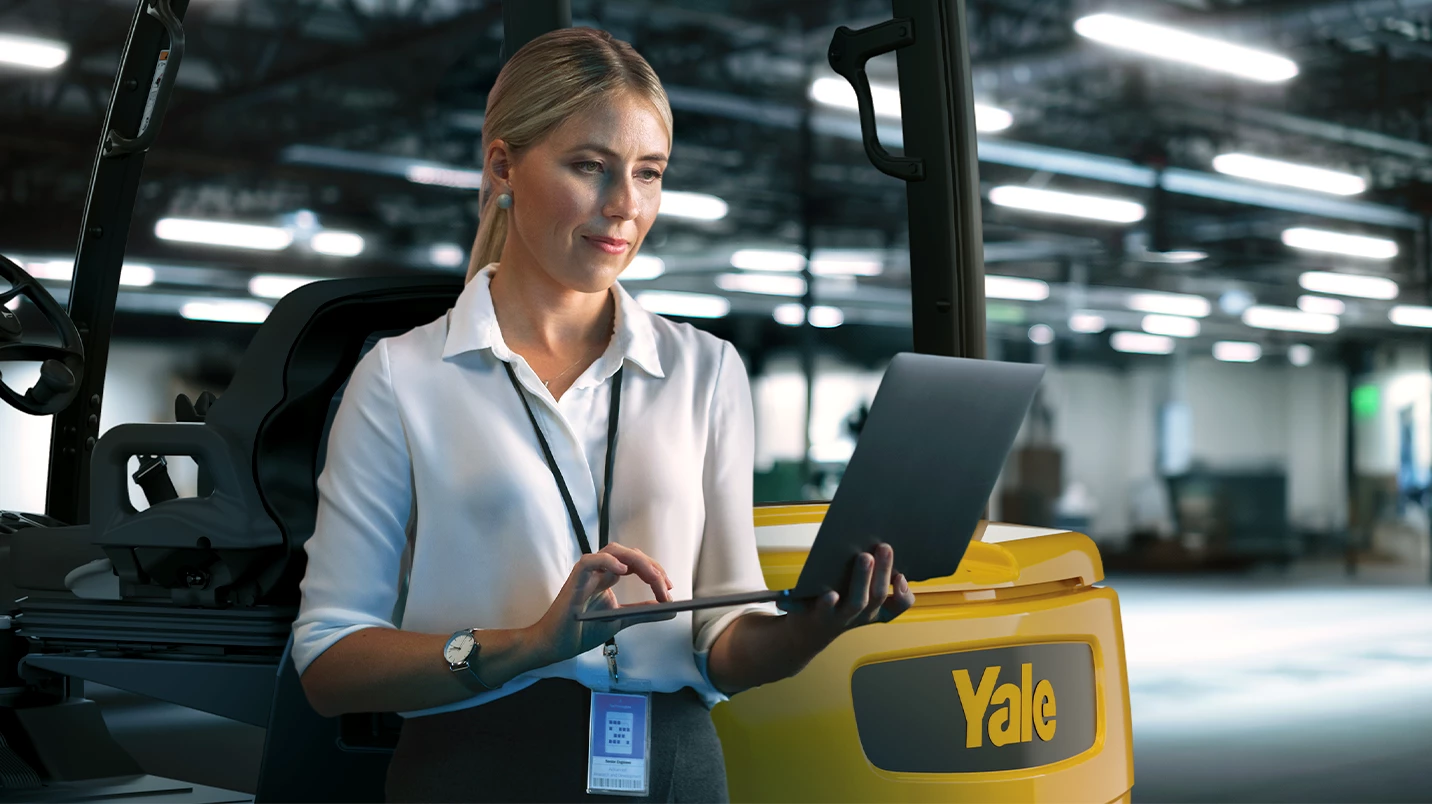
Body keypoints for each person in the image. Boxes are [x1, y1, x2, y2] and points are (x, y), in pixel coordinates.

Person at [290, 27, 915, 803]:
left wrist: (809, 632)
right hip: (475, 771)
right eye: (590, 166)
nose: (625, 206)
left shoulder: (705, 371)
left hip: (676, 770)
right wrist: (525, 646)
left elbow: (721, 642)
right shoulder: (402, 380)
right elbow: (327, 660)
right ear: (503, 166)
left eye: (648, 174)